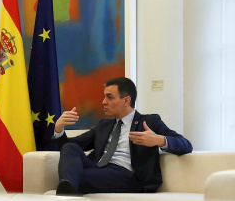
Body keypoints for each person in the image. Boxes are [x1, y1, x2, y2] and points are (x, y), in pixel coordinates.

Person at [54, 77, 192, 195]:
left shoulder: (150, 121)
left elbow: (185, 145)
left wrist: (159, 140)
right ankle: (69, 189)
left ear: (126, 100)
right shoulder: (104, 125)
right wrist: (59, 129)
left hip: (127, 176)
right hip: (99, 170)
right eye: (104, 97)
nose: (103, 102)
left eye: (109, 97)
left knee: (75, 177)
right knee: (70, 148)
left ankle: (68, 188)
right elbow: (68, 147)